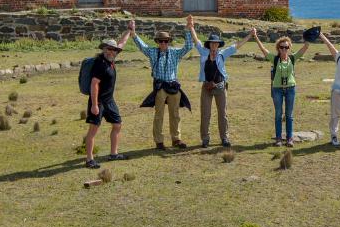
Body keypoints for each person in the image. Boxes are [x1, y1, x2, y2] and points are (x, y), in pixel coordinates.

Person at [130, 18, 195, 149]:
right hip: (160, 87)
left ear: (169, 42)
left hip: (173, 86)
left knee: (175, 115)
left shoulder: (175, 53)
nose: (163, 43)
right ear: (158, 42)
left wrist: (188, 29)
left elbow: (188, 46)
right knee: (159, 115)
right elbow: (142, 46)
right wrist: (133, 33)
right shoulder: (153, 52)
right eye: (161, 41)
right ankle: (159, 141)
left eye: (166, 41)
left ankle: (176, 139)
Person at [190, 19, 254, 148]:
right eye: (212, 43)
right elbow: (196, 40)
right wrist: (191, 27)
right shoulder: (204, 52)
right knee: (205, 114)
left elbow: (237, 45)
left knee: (222, 114)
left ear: (219, 45)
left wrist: (250, 35)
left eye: (216, 43)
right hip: (206, 87)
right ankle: (205, 139)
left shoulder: (222, 54)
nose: (214, 45)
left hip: (220, 86)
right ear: (209, 44)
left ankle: (224, 138)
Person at [253, 31, 311, 146]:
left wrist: (309, 39)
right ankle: (279, 139)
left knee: (289, 115)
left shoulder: (292, 59)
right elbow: (263, 49)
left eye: (286, 47)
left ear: (289, 48)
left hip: (290, 89)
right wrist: (255, 36)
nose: (284, 49)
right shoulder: (274, 59)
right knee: (278, 114)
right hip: (277, 90)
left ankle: (289, 138)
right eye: (282, 47)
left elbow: (304, 49)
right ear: (278, 48)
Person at [83, 35, 131, 167]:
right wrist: (94, 105)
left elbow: (121, 43)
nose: (111, 51)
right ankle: (89, 160)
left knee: (117, 124)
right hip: (98, 102)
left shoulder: (111, 59)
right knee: (93, 130)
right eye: (108, 49)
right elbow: (94, 84)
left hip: (109, 101)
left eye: (114, 50)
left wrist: (129, 30)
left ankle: (113, 154)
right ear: (104, 49)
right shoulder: (101, 64)